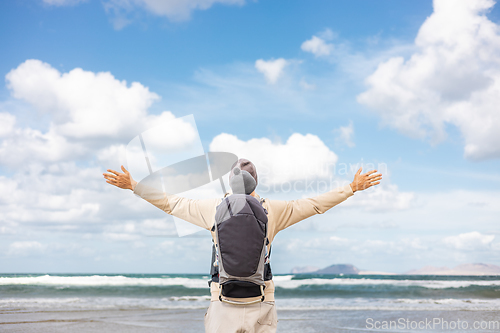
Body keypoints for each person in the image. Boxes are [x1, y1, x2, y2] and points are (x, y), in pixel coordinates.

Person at [103, 158, 382, 333]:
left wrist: (134, 185)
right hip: (261, 300)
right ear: (256, 182)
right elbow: (313, 205)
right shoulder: (272, 209)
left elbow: (171, 203)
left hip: (223, 301)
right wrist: (351, 188)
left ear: (230, 181)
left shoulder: (213, 207)